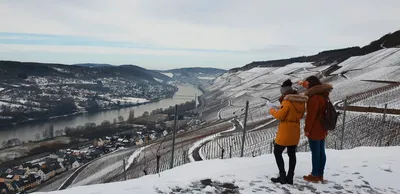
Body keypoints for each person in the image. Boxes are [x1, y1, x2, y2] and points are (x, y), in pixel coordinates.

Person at [269, 79, 308, 184]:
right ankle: (290, 177)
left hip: (286, 129)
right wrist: (280, 107)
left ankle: (282, 176)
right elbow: (295, 113)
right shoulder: (299, 100)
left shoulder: (287, 101)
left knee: (277, 152)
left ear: (284, 90)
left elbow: (280, 116)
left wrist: (271, 109)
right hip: (295, 129)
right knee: (292, 154)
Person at [301, 76, 333, 183]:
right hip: (323, 127)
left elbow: (311, 115)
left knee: (315, 153)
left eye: (307, 83)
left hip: (315, 128)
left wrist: (307, 129)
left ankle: (314, 175)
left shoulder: (314, 97)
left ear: (311, 84)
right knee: (321, 152)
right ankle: (320, 174)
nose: (306, 85)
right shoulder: (323, 95)